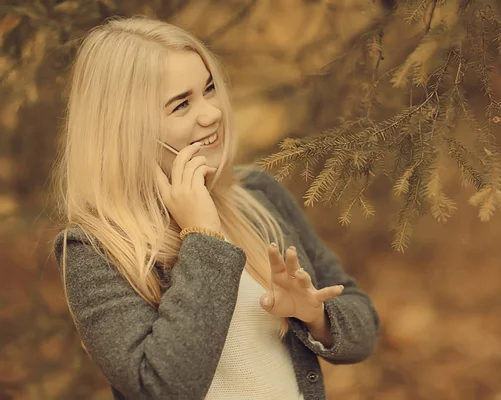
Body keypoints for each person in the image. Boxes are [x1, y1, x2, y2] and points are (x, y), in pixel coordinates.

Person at [50, 15, 380, 400]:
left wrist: (316, 317)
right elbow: (164, 387)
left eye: (208, 89)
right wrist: (203, 238)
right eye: (181, 105)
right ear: (125, 128)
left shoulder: (257, 194)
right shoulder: (93, 250)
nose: (212, 113)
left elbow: (364, 324)